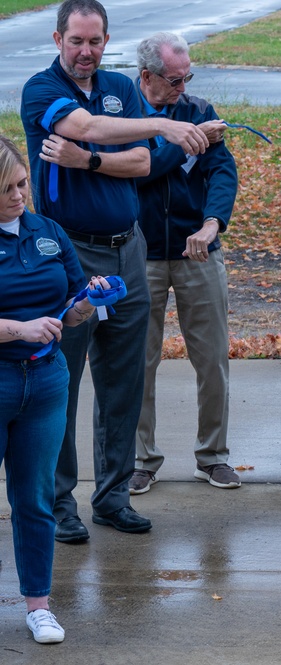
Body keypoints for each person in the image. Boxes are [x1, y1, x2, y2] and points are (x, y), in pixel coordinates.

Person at [19, 0, 209, 543]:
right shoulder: (41, 89)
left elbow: (141, 162)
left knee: (122, 384)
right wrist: (161, 127)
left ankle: (112, 498)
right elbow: (89, 126)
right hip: (71, 257)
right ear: (58, 39)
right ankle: (58, 505)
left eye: (94, 41)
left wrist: (86, 160)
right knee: (62, 385)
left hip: (129, 250)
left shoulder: (121, 88)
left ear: (107, 40)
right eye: (76, 41)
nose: (85, 52)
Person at [0, 135, 113, 643]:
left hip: (45, 382)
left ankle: (39, 605)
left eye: (23, 183)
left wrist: (90, 300)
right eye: (8, 189)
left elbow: (71, 300)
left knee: (36, 498)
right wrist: (19, 329)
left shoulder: (46, 231)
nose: (20, 195)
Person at [130, 32, 240, 495]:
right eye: (174, 81)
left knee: (212, 358)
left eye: (186, 78)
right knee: (138, 363)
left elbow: (222, 171)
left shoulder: (199, 110)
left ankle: (212, 457)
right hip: (142, 255)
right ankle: (140, 459)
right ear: (146, 77)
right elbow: (144, 168)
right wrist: (183, 143)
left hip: (198, 252)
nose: (182, 88)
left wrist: (213, 224)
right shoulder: (125, 116)